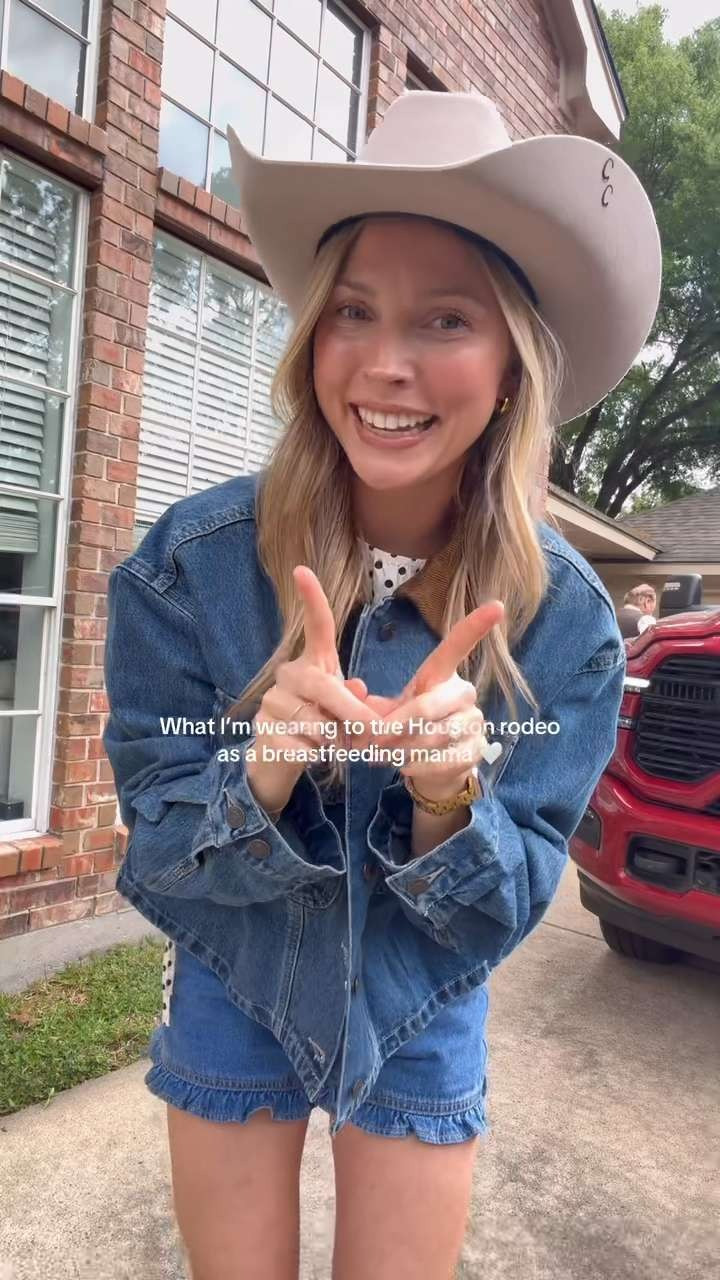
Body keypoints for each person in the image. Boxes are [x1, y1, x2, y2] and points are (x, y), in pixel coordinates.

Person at [102, 91, 660, 1280]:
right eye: (353, 309)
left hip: (419, 989)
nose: (387, 362)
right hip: (234, 957)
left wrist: (452, 806)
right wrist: (260, 768)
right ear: (313, 336)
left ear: (512, 366)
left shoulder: (566, 623)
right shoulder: (186, 568)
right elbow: (154, 846)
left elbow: (506, 905)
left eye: (446, 318)